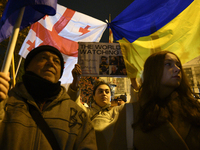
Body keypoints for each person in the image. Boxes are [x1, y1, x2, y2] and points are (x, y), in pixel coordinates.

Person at [0, 45, 97, 150]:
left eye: (56, 61)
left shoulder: (77, 114)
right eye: (43, 58)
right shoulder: (5, 102)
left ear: (60, 72)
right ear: (27, 66)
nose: (51, 63)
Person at [109, 51, 200, 150]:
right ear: (153, 71)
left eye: (178, 65)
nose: (177, 69)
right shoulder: (132, 112)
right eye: (168, 64)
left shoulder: (194, 108)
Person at [67, 64, 127, 150]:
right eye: (100, 91)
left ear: (110, 96)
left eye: (107, 92)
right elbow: (73, 102)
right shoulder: (86, 112)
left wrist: (134, 80)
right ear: (94, 97)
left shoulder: (117, 111)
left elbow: (133, 105)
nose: (104, 94)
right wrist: (76, 81)